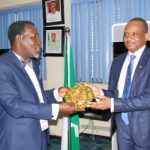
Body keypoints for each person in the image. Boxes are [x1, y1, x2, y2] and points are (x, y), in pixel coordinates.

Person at [0, 21, 80, 150]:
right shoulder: (3, 65)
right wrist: (57, 109)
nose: (39, 41)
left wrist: (57, 93)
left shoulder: (34, 65)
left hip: (40, 133)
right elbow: (14, 105)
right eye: (34, 37)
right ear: (19, 38)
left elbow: (36, 97)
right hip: (18, 139)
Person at [87, 17, 150, 150]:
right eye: (126, 34)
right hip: (121, 125)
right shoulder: (117, 61)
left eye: (134, 34)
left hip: (145, 128)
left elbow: (148, 98)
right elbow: (113, 93)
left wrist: (113, 103)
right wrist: (99, 92)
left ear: (146, 36)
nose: (128, 38)